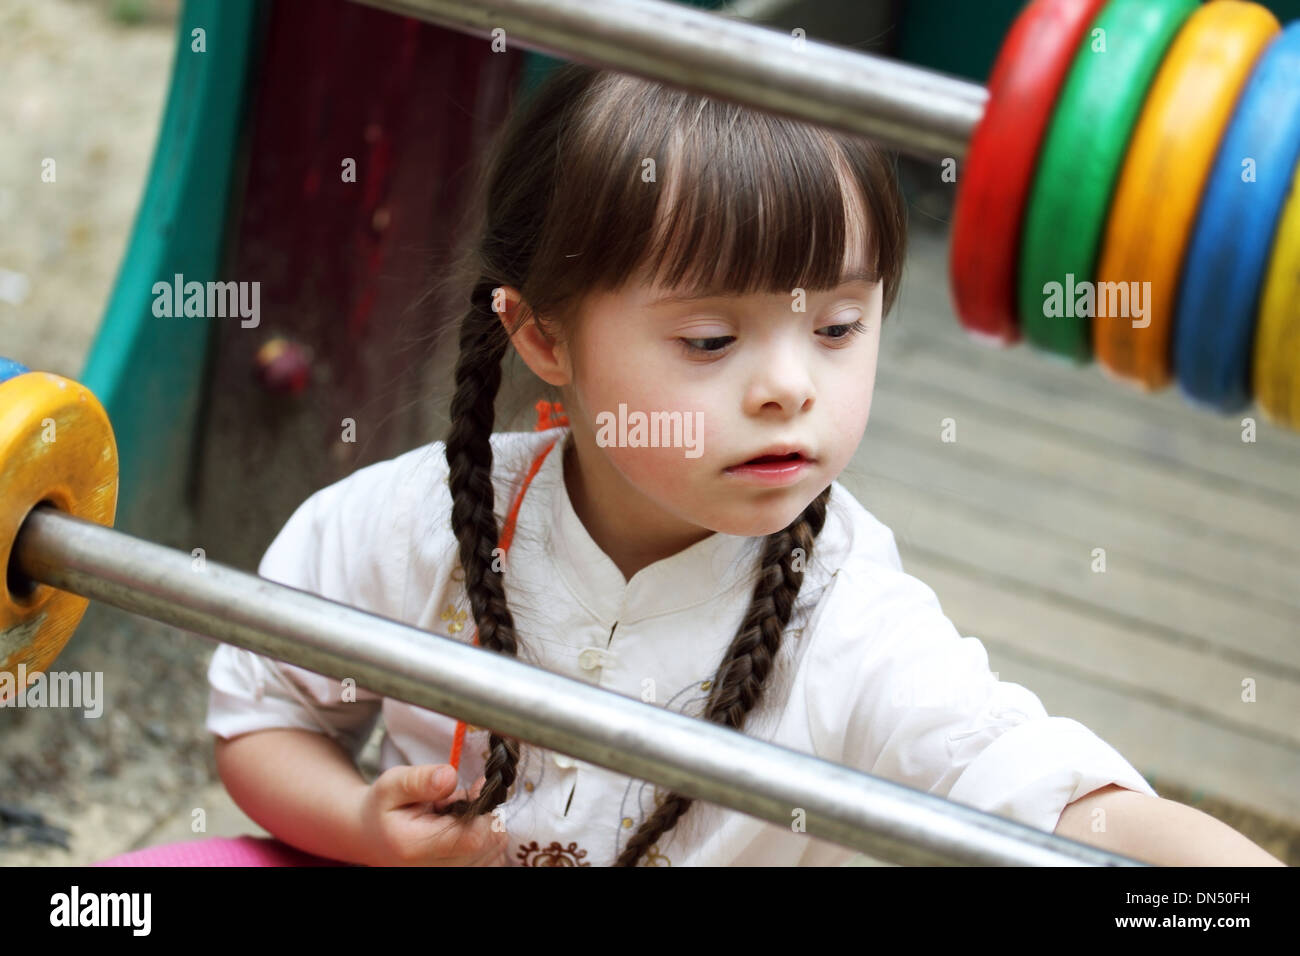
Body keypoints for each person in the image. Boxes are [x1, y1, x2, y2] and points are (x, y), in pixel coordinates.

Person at [99, 62, 1283, 868]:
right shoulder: (410, 522)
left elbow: (1047, 791)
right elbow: (261, 713)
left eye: (837, 326)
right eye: (711, 340)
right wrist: (363, 823)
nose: (788, 385)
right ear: (543, 337)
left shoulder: (849, 619)